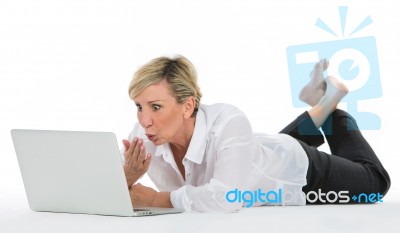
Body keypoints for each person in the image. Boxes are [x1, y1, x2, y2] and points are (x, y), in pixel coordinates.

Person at [121, 55, 391, 213]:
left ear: (188, 106)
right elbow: (105, 188)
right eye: (139, 106)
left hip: (297, 172)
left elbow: (227, 198)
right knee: (263, 157)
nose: (144, 120)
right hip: (256, 155)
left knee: (376, 184)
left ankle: (331, 106)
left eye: (156, 107)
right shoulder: (145, 134)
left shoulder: (229, 120)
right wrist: (128, 177)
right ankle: (320, 99)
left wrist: (158, 199)